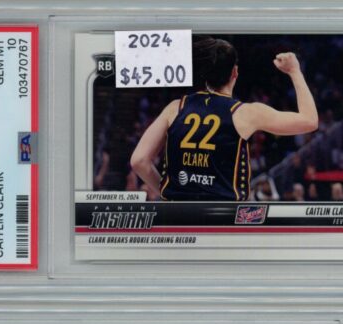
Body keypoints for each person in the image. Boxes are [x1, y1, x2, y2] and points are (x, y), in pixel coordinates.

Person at [130, 37, 318, 201]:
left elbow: (139, 160)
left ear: (204, 75)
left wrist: (168, 193)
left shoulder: (175, 108)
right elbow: (310, 121)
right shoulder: (246, 113)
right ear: (235, 72)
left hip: (180, 216)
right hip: (224, 216)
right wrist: (295, 71)